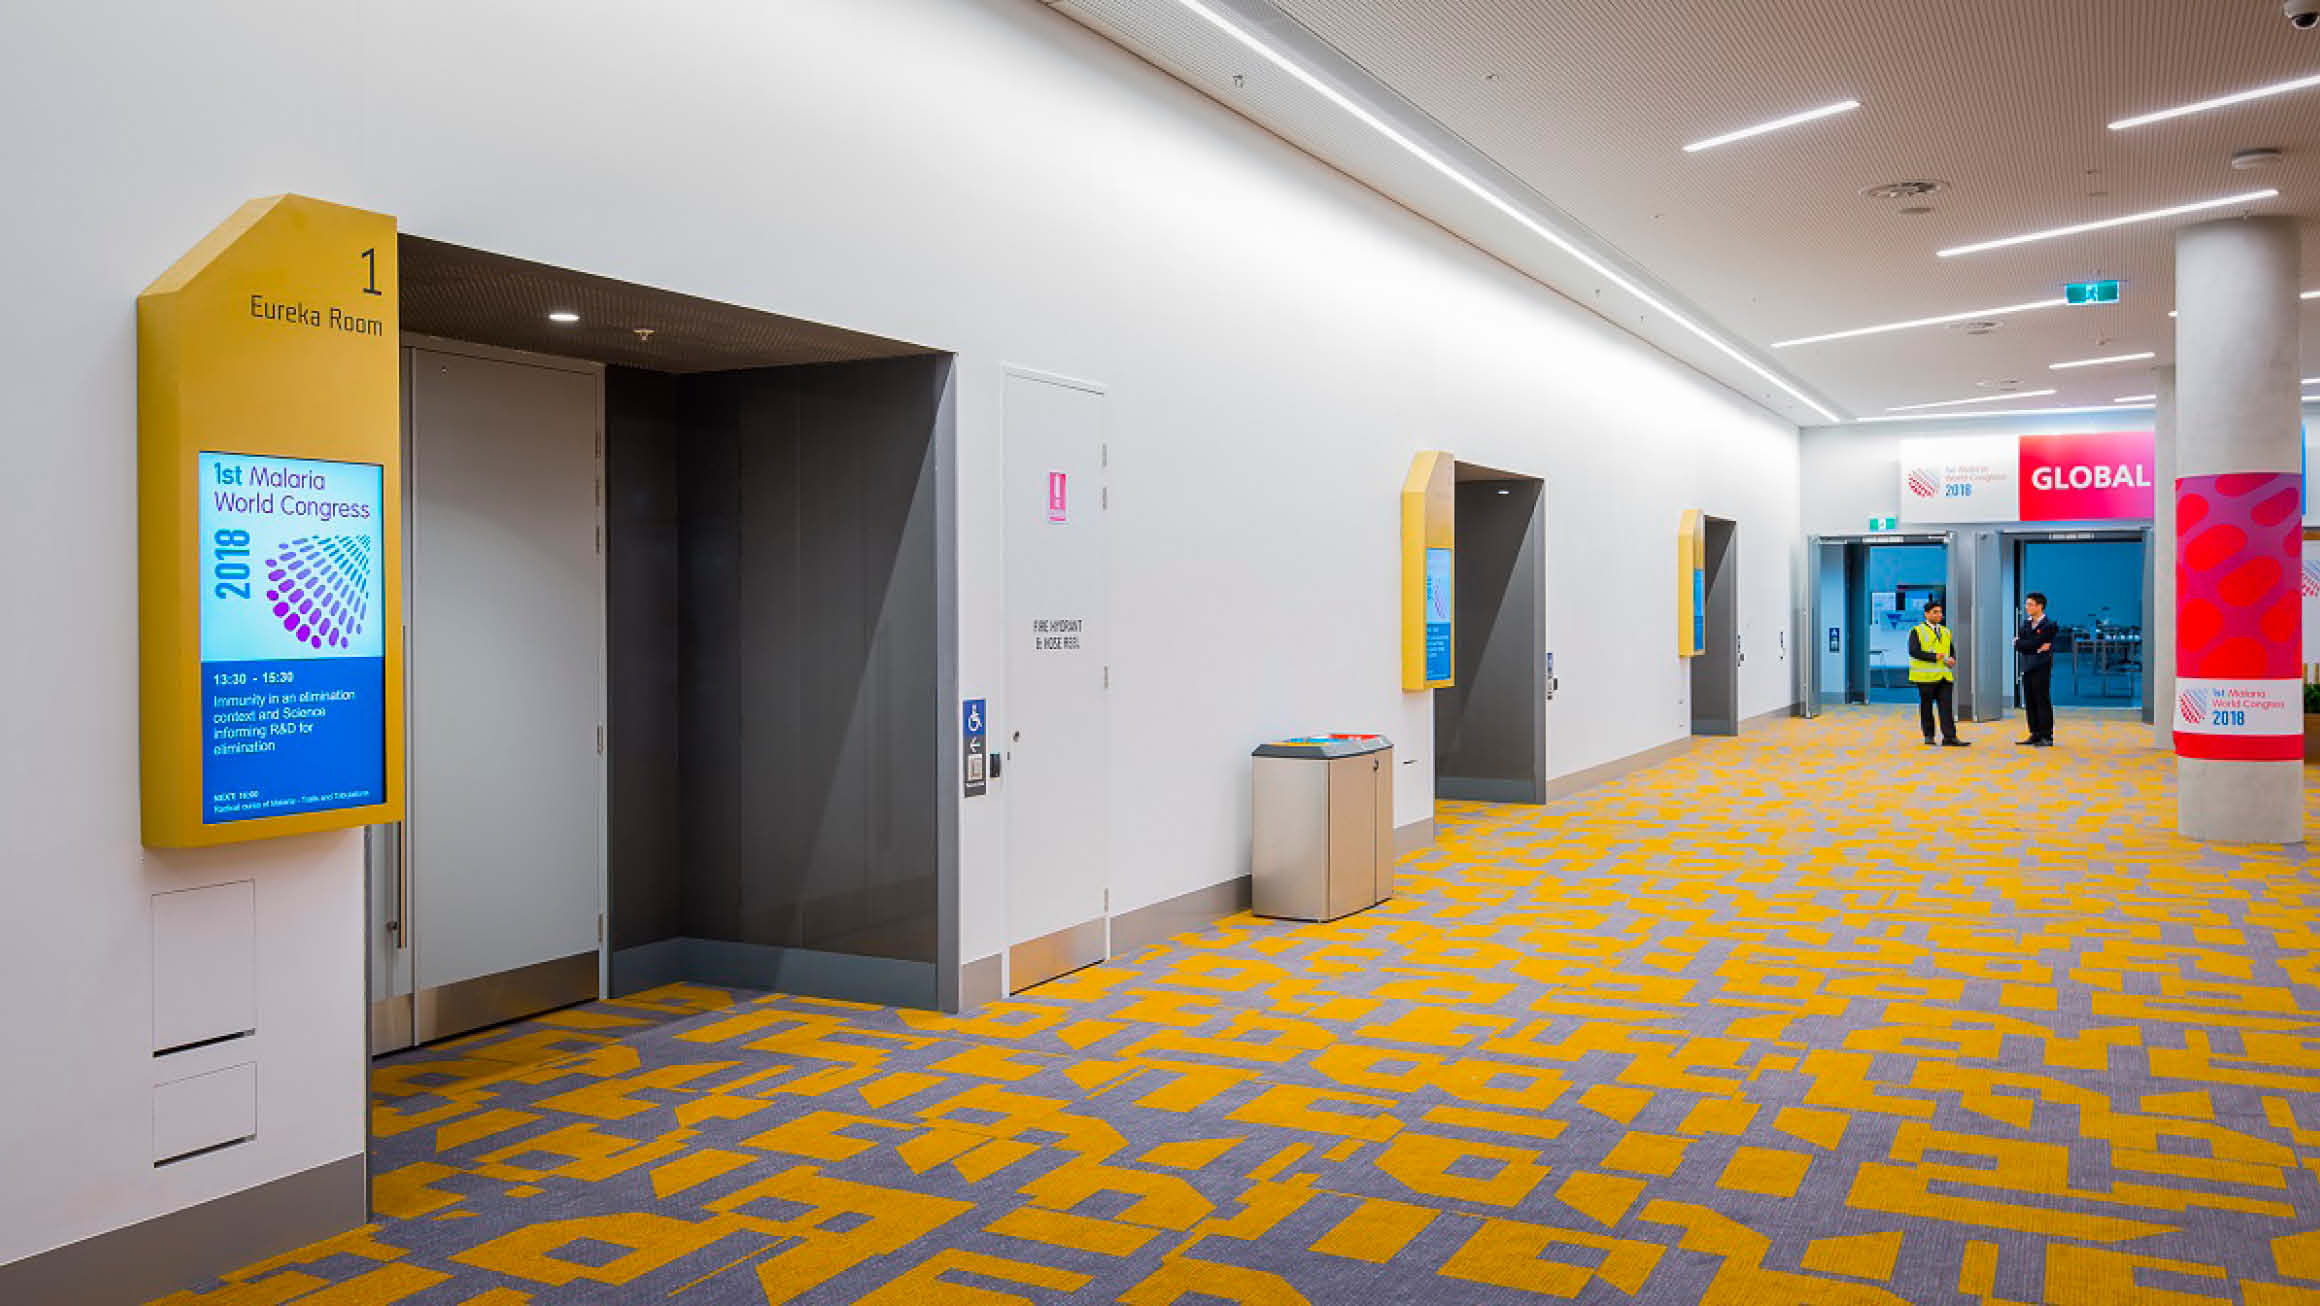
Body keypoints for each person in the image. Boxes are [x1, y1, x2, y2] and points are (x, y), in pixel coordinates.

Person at [1908, 598, 1969, 747]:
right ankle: (1929, 735)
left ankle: (1950, 737)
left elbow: (1951, 650)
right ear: (1926, 614)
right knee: (1926, 707)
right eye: (1935, 612)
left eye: (1940, 612)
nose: (1939, 615)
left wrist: (1952, 659)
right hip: (1925, 677)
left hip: (1944, 676)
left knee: (1946, 707)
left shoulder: (1945, 631)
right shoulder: (1917, 631)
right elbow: (1914, 651)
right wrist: (1934, 657)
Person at [2015, 591, 2058, 747]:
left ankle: (2047, 735)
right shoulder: (2026, 624)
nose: (2027, 607)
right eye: (2027, 604)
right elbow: (2023, 646)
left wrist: (2023, 644)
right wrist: (2024, 644)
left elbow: (2033, 643)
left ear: (2040, 606)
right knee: (2030, 700)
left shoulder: (2049, 625)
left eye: (2031, 604)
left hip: (2041, 666)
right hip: (2027, 666)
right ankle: (2035, 733)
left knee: (2042, 700)